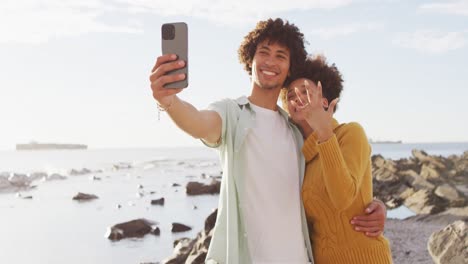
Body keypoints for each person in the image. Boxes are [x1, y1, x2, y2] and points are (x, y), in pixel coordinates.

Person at [150, 18, 386, 264]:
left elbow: (331, 189)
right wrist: (168, 100)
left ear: (289, 67)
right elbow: (197, 122)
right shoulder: (231, 114)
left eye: (281, 56)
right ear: (250, 60)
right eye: (264, 52)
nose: (271, 61)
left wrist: (374, 204)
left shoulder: (295, 131)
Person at [283, 55, 393, 263]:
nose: (296, 98)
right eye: (290, 95)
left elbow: (343, 198)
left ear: (324, 100)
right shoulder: (297, 156)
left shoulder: (350, 133)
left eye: (305, 92)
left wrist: (324, 133)